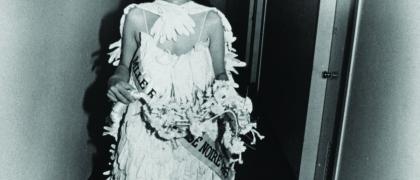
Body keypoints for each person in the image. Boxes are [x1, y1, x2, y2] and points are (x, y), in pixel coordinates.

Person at [104, 0, 263, 179]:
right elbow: (124, 65)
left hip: (198, 134)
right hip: (145, 131)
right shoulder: (136, 17)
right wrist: (115, 80)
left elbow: (221, 75)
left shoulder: (211, 20)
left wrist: (230, 104)